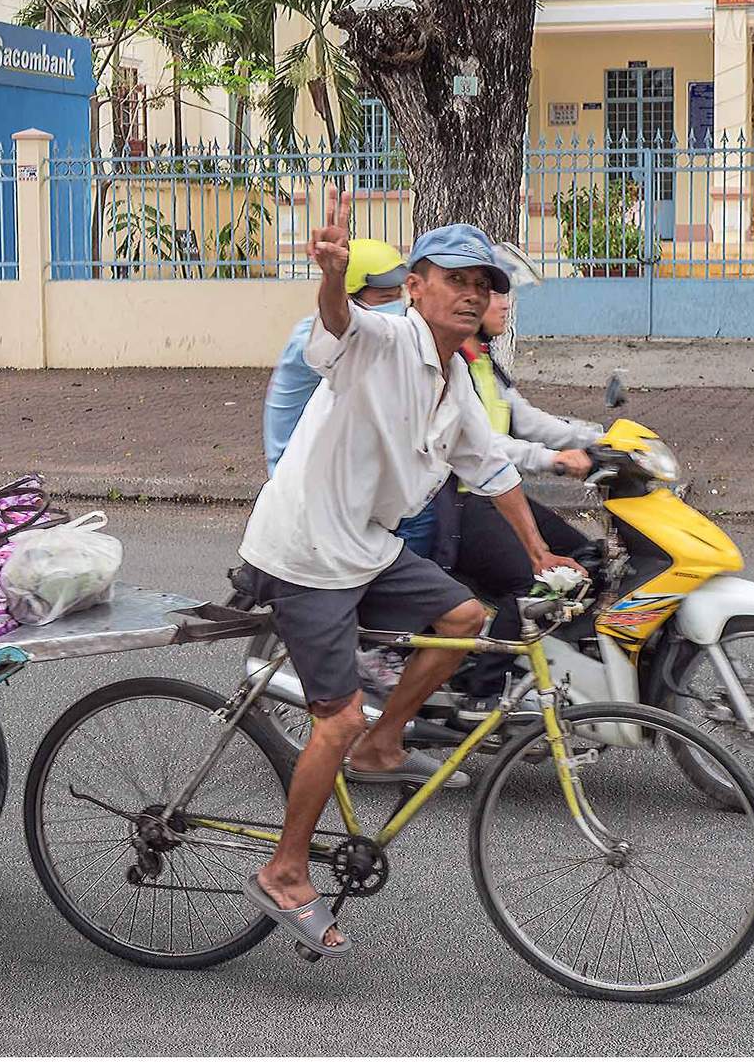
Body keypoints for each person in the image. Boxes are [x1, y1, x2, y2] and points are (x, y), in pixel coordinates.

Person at [235, 194, 584, 956]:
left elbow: (490, 468)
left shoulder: (455, 379)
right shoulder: (383, 340)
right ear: (416, 285)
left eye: (484, 283)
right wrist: (330, 278)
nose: (473, 293)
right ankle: (286, 871)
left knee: (464, 620)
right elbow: (337, 326)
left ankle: (382, 746)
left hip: (365, 544)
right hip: (306, 552)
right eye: (455, 278)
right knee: (336, 715)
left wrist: (536, 552)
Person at [428, 284, 604, 715]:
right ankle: (484, 691)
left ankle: (550, 657)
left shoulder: (482, 362)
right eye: (495, 294)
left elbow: (528, 420)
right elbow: (481, 445)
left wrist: (603, 437)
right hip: (460, 503)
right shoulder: (450, 367)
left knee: (588, 557)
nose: (505, 304)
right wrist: (553, 460)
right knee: (530, 581)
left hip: (495, 492)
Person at [263, 239, 438, 559]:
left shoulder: (375, 334)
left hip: (340, 463)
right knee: (418, 513)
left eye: (398, 294)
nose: (396, 303)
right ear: (347, 297)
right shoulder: (325, 337)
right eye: (385, 296)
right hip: (307, 478)